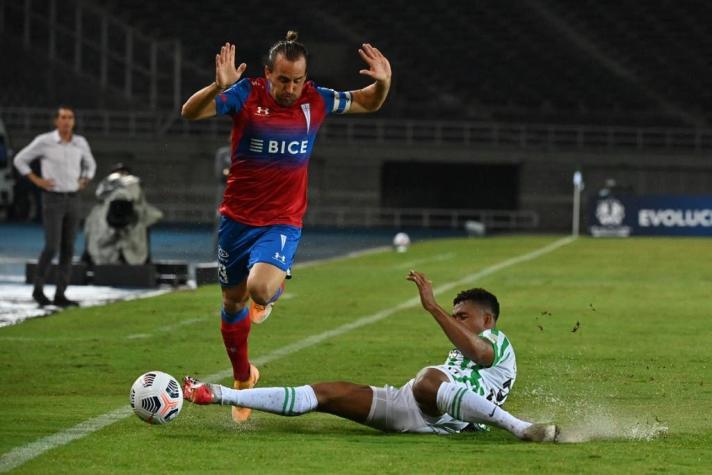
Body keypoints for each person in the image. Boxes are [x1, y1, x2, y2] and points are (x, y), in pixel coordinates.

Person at [181, 32, 392, 422]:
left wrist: (383, 82)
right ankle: (244, 378)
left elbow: (369, 102)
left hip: (282, 221)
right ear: (268, 74)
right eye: (283, 80)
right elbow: (190, 112)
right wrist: (217, 86)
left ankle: (271, 290)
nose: (291, 88)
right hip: (236, 220)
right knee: (231, 303)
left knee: (258, 288)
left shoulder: (317, 99)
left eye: (297, 80)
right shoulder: (245, 94)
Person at [183, 271, 560, 442]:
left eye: (463, 315)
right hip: (415, 406)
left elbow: (478, 353)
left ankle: (521, 428)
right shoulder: (462, 348)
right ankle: (218, 394)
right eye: (453, 313)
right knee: (325, 393)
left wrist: (432, 307)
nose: (456, 319)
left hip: (441, 407)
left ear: (487, 319)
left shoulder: (499, 342)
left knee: (429, 378)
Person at [13, 106, 96, 307]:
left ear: (73, 122)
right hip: (53, 199)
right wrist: (37, 180)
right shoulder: (45, 141)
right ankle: (38, 289)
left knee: (68, 248)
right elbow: (19, 160)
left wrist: (85, 179)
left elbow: (91, 164)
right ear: (56, 122)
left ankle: (61, 293)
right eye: (63, 117)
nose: (67, 121)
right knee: (51, 246)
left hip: (73, 198)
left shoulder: (80, 142)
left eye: (70, 117)